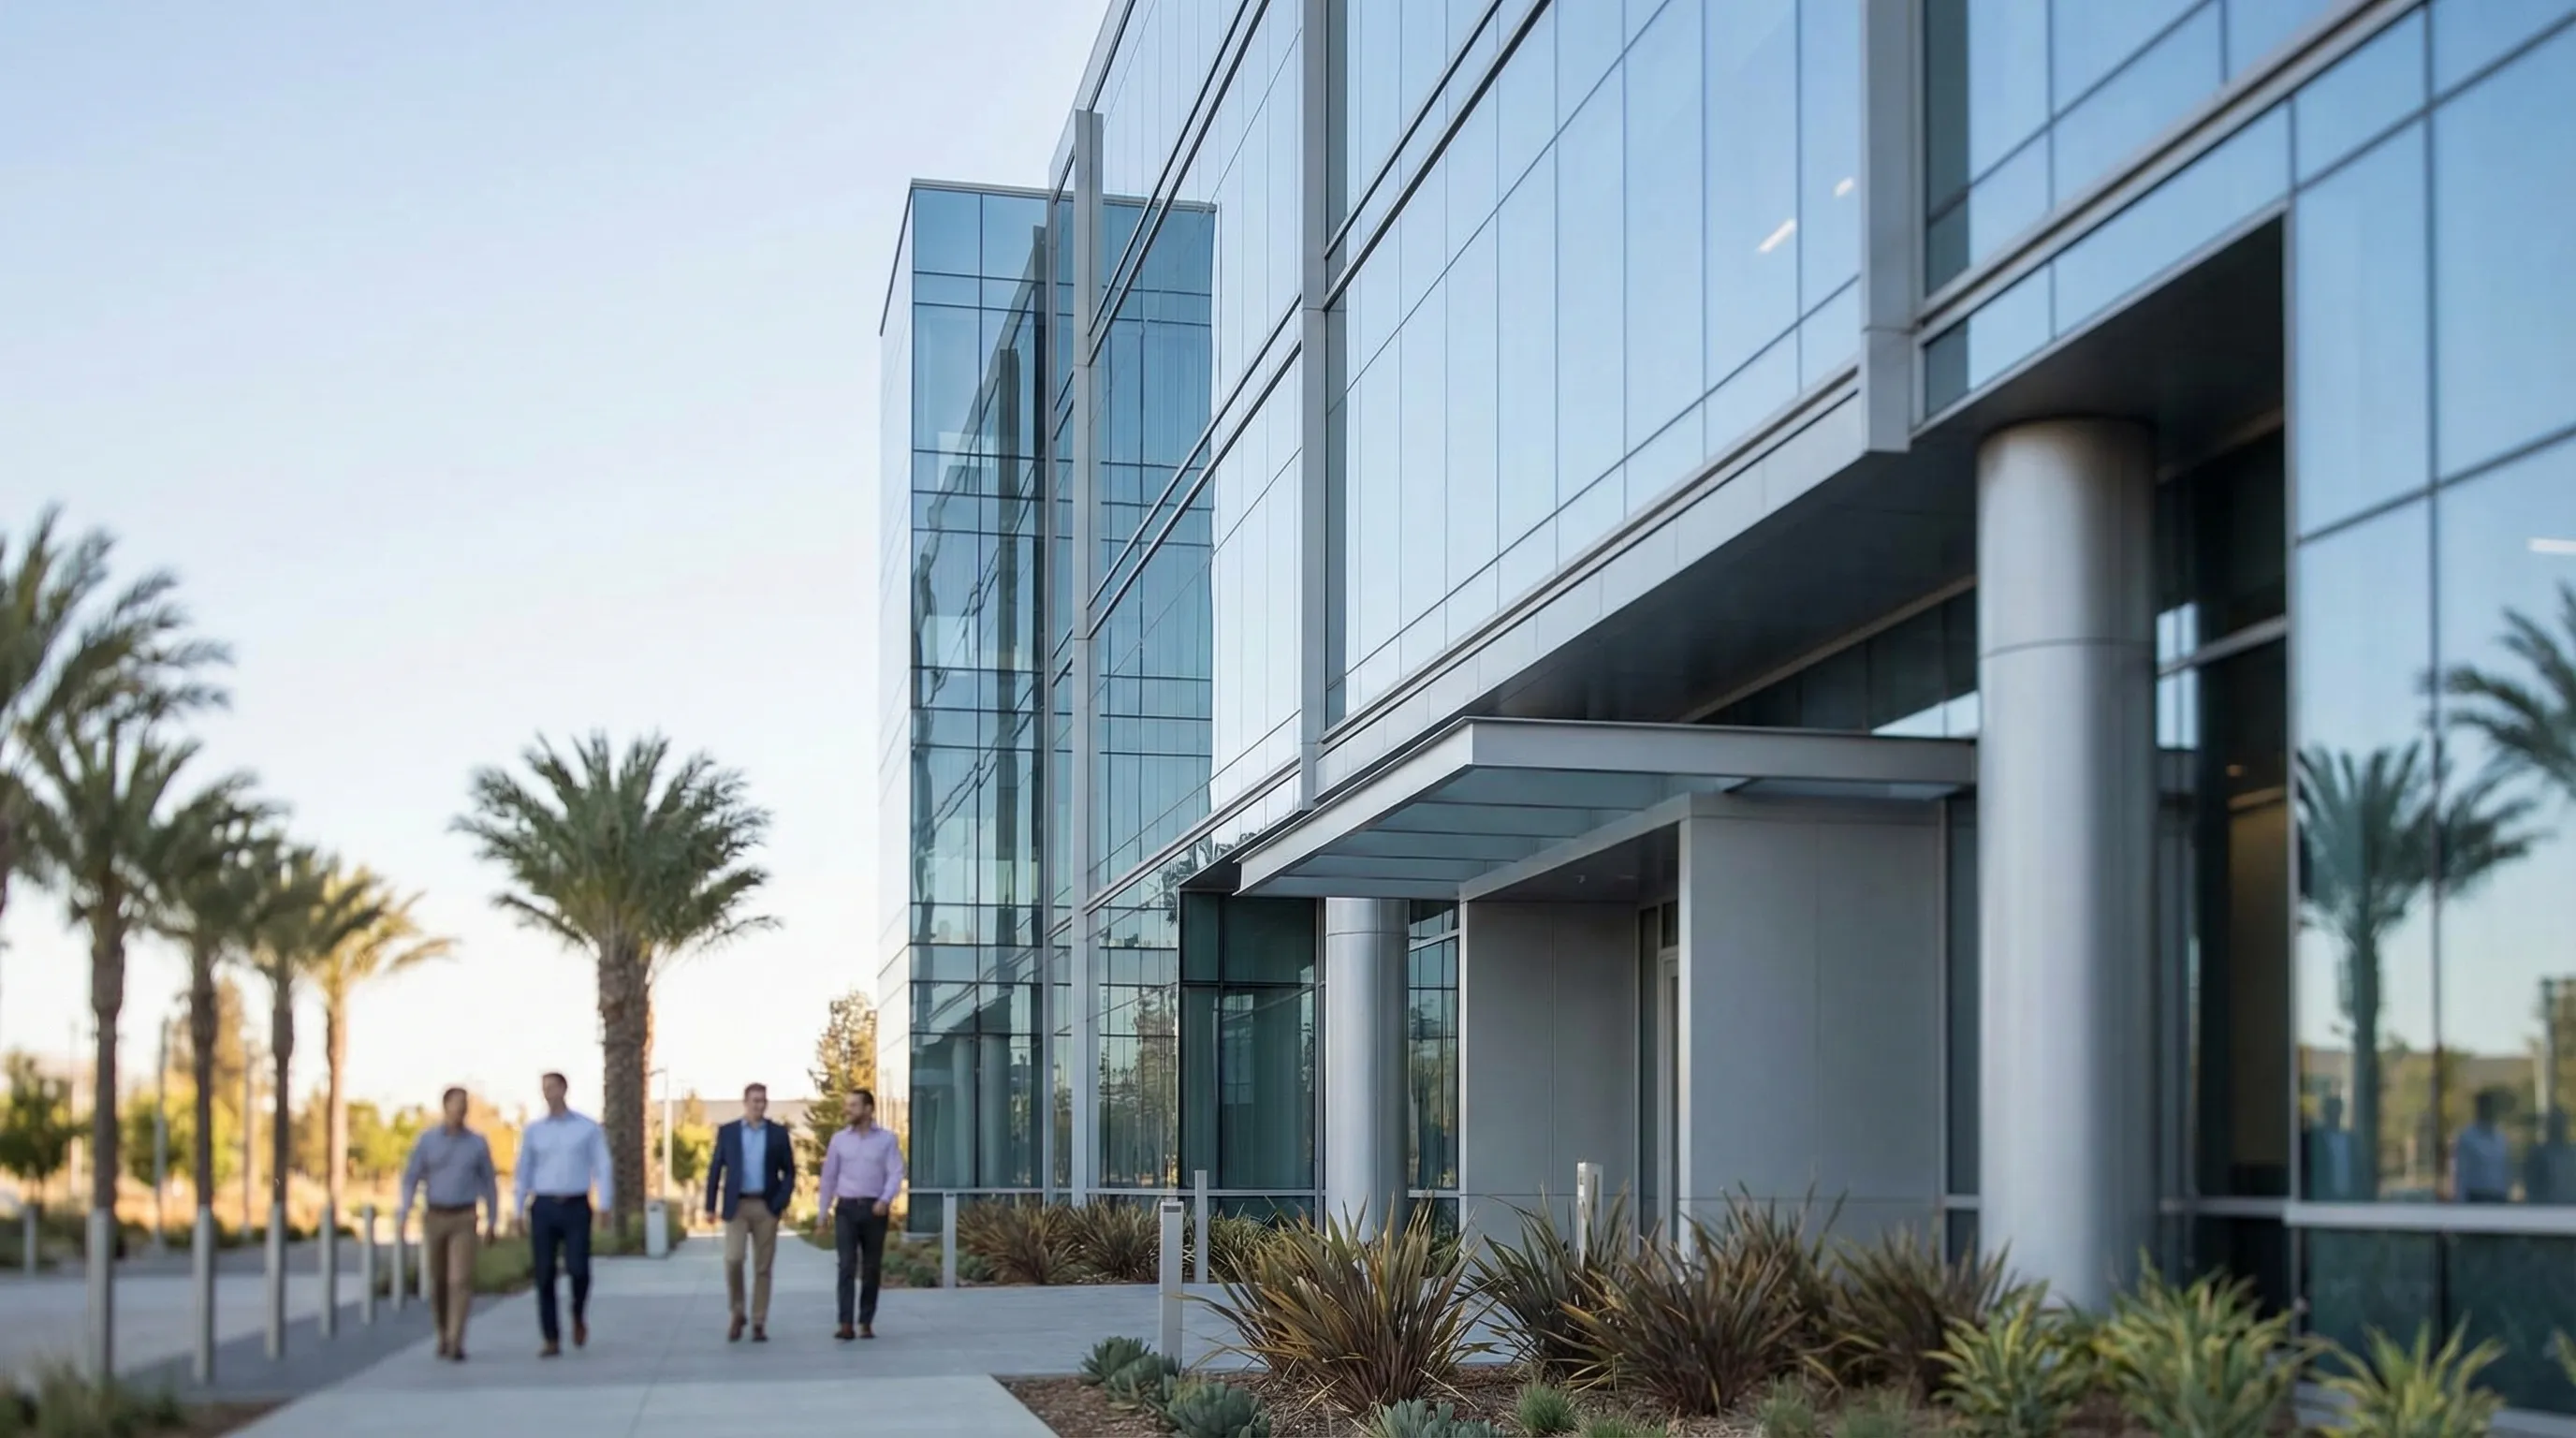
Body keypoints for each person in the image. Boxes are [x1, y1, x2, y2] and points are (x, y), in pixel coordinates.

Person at [514, 1071, 615, 1357]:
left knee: (579, 1269)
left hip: (576, 1205)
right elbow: (524, 1172)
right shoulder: (534, 1131)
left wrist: (605, 1204)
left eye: (553, 1087)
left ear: (564, 1089)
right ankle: (551, 1337)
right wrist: (518, 1208)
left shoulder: (587, 1128)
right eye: (544, 1088)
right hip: (544, 1206)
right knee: (544, 1273)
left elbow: (602, 1166)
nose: (548, 1093)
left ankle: (577, 1314)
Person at [395, 1086, 499, 1362]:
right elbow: (411, 1177)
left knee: (460, 1280)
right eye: (455, 1104)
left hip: (465, 1217)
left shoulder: (477, 1143)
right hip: (435, 1216)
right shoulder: (428, 1141)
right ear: (445, 1107)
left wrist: (492, 1219)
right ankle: (442, 1332)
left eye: (464, 1105)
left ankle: (456, 1340)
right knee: (439, 1280)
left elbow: (489, 1183)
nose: (460, 1110)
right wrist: (403, 1212)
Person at [704, 1081, 796, 1343]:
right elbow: (715, 1169)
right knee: (733, 1259)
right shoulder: (729, 1132)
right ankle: (737, 1312)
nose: (759, 1105)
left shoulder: (777, 1133)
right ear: (745, 1103)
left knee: (763, 1267)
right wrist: (710, 1205)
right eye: (754, 1100)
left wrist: (780, 1202)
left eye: (762, 1101)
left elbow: (789, 1171)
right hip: (737, 1205)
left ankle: (758, 1320)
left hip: (766, 1206)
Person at [815, 1088, 904, 1341]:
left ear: (868, 1109)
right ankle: (845, 1323)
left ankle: (865, 1321)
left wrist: (885, 1199)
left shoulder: (887, 1140)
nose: (848, 1110)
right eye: (848, 1105)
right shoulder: (839, 1140)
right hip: (846, 1208)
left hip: (875, 1209)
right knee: (846, 1265)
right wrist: (823, 1213)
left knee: (871, 1267)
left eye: (853, 1105)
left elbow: (896, 1172)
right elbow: (829, 1177)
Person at [2452, 1087, 2513, 1203]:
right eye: (2486, 1106)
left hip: (2499, 1198)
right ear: (2478, 1109)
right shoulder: (2468, 1138)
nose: (2490, 1111)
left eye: (2492, 1107)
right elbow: (2461, 1173)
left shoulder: (2501, 1138)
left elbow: (2506, 1170)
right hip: (2477, 1198)